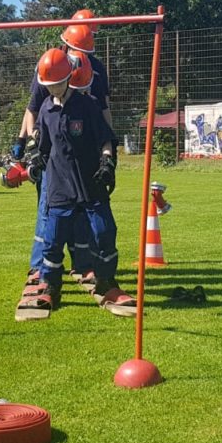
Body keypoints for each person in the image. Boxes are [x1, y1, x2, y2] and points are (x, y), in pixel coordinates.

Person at [23, 48, 132, 318]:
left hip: (90, 183)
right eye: (47, 86)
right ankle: (50, 285)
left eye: (56, 84)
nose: (52, 90)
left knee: (104, 232)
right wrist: (35, 158)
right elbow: (43, 146)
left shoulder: (87, 106)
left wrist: (107, 162)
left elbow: (105, 138)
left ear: (68, 77)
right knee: (52, 240)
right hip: (59, 186)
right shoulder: (46, 110)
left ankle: (107, 283)